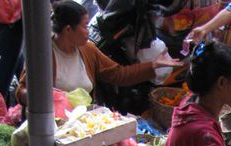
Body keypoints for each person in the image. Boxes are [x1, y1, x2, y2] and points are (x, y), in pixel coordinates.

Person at [16, 0, 184, 105]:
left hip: (80, 127)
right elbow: (21, 90)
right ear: (68, 30)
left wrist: (153, 66)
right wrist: (41, 99)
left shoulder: (88, 50)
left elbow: (118, 74)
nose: (88, 31)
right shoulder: (43, 54)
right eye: (84, 25)